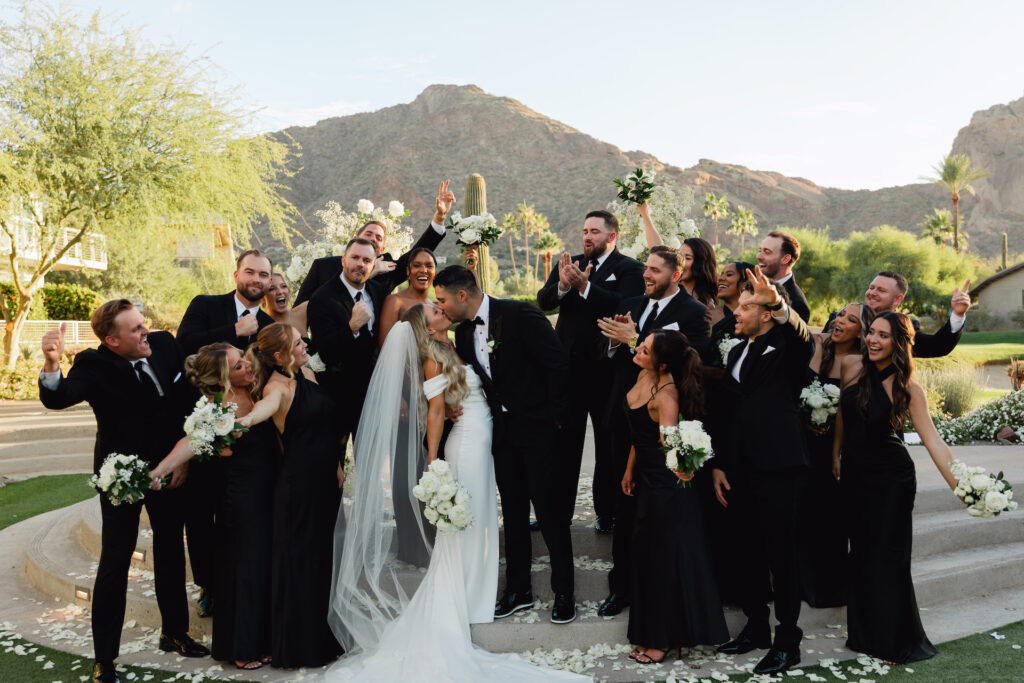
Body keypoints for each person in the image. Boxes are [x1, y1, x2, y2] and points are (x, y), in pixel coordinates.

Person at [325, 302, 587, 680]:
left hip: (489, 437)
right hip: (465, 445)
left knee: (480, 516)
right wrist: (432, 459)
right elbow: (434, 410)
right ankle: (467, 595)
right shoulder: (431, 358)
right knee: (471, 518)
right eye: (434, 309)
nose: (441, 308)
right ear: (426, 327)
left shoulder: (458, 342)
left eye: (441, 303)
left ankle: (481, 589)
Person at [38, 301, 207, 683]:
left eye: (143, 324)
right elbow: (59, 396)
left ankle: (174, 633)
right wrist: (52, 363)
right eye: (135, 330)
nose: (145, 331)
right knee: (114, 562)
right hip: (122, 476)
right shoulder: (93, 365)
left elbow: (187, 402)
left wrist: (182, 458)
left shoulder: (165, 344)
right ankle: (105, 660)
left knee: (169, 548)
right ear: (112, 340)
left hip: (170, 470)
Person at [433, 266, 577, 624]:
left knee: (549, 513)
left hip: (540, 430)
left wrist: (555, 421)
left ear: (461, 296)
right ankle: (519, 591)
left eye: (442, 300)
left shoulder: (521, 314)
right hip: (501, 435)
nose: (441, 307)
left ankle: (565, 592)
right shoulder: (464, 334)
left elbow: (558, 366)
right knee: (512, 513)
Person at [833, 311, 959, 664]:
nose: (873, 340)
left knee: (887, 558)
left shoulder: (908, 388)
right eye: (871, 332)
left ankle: (893, 641)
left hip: (891, 480)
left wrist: (961, 486)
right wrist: (835, 453)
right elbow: (843, 413)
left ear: (899, 343)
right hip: (855, 476)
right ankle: (863, 635)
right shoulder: (852, 366)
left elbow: (933, 442)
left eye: (883, 336)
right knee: (859, 555)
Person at [593, 245, 711, 618]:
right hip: (625, 421)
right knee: (624, 508)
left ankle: (657, 592)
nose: (647, 275)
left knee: (656, 518)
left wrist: (634, 337)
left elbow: (696, 363)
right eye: (646, 268)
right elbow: (613, 357)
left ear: (676, 275)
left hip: (662, 425)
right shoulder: (631, 302)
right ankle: (621, 587)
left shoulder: (694, 314)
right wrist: (615, 342)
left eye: (656, 271)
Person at [710, 267, 814, 676]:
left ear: (767, 313)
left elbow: (803, 337)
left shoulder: (786, 346)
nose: (737, 310)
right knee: (745, 551)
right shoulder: (735, 351)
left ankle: (789, 640)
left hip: (779, 467)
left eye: (747, 306)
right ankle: (756, 628)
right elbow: (725, 411)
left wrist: (777, 302)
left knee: (782, 556)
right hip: (738, 470)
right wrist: (718, 464)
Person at [150, 343, 277, 671]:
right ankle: (242, 644)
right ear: (221, 381)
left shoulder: (259, 386)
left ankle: (265, 639)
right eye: (238, 367)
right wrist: (162, 469)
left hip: (270, 490)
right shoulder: (215, 407)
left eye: (244, 360)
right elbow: (189, 442)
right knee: (245, 569)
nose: (247, 367)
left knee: (265, 566)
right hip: (242, 497)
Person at [237, 323, 345, 668]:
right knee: (300, 565)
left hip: (326, 483)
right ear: (280, 356)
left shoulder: (307, 376)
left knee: (321, 563)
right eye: (298, 343)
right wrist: (245, 421)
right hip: (299, 488)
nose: (304, 345)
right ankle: (299, 646)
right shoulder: (275, 389)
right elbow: (263, 411)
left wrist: (339, 466)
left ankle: (321, 636)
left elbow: (327, 427)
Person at [176, 249, 277, 615]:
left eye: (263, 275)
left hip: (248, 440)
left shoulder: (268, 325)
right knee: (202, 517)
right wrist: (234, 332)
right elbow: (184, 342)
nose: (256, 280)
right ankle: (209, 585)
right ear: (237, 274)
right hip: (204, 431)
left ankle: (241, 583)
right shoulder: (206, 305)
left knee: (239, 519)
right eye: (250, 272)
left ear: (269, 282)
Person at [620, 330, 728, 664]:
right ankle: (650, 632)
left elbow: (670, 445)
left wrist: (687, 469)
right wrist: (629, 470)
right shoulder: (642, 373)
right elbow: (640, 437)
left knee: (663, 563)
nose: (639, 349)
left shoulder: (667, 396)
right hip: (647, 482)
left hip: (666, 490)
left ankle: (663, 640)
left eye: (646, 349)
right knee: (647, 559)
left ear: (662, 362)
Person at [537, 209, 645, 532]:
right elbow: (543, 302)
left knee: (607, 446)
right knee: (562, 447)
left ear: (611, 236)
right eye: (585, 230)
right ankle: (556, 514)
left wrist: (586, 288)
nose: (587, 236)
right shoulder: (568, 265)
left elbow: (623, 304)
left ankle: (606, 514)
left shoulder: (629, 268)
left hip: (606, 374)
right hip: (567, 373)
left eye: (594, 231)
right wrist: (564, 287)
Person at [798, 302, 873, 608]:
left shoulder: (858, 362)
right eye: (841, 314)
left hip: (833, 445)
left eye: (851, 320)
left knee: (830, 517)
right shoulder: (816, 343)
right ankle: (801, 583)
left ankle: (830, 587)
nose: (841, 321)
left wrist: (836, 450)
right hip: (800, 441)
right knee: (801, 514)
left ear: (861, 333)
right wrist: (805, 418)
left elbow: (847, 409)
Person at [293, 181, 455, 305]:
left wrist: (440, 217)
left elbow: (419, 250)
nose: (373, 238)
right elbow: (302, 306)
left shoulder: (388, 269)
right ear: (355, 238)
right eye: (368, 234)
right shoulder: (323, 266)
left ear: (382, 248)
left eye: (378, 238)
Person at [307, 237, 385, 445]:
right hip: (339, 396)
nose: (360, 264)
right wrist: (352, 328)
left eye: (367, 260)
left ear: (372, 265)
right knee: (335, 462)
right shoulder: (322, 298)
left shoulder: (377, 291)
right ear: (343, 260)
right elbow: (327, 352)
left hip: (373, 393)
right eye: (355, 258)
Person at [853, 271, 971, 358]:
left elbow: (937, 346)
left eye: (881, 290)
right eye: (871, 287)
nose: (872, 293)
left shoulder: (904, 328)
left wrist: (958, 314)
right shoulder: (841, 319)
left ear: (897, 300)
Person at [638, 202, 718, 309]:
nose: (680, 262)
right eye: (679, 257)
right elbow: (657, 249)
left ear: (701, 263)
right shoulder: (670, 288)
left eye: (687, 258)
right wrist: (645, 215)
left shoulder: (705, 304)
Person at [376, 247, 438, 347]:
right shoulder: (395, 301)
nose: (423, 270)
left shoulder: (436, 306)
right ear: (408, 271)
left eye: (429, 266)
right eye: (417, 265)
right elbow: (385, 347)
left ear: (434, 272)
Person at [757, 231, 810, 323]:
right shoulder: (754, 287)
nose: (759, 256)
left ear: (785, 259)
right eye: (760, 251)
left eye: (767, 252)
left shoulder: (797, 304)